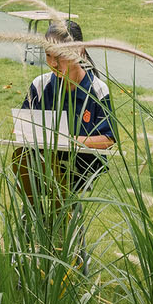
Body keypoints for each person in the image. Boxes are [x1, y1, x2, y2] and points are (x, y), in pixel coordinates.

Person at [13, 16, 115, 200]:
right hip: (44, 160)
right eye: (48, 55)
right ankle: (33, 216)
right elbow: (21, 130)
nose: (53, 63)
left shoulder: (98, 89)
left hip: (83, 165)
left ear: (79, 50)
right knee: (21, 158)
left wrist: (71, 141)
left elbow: (108, 139)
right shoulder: (39, 85)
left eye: (60, 57)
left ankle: (62, 221)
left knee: (59, 179)